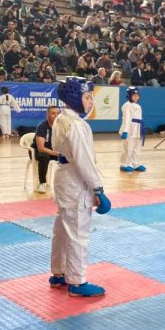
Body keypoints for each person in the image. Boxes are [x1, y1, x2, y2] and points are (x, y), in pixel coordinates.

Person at [49, 77, 111, 297]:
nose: (91, 101)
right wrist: (98, 189)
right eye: (87, 96)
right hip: (75, 181)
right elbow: (84, 161)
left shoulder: (60, 119)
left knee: (63, 229)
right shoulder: (77, 125)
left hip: (63, 177)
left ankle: (59, 273)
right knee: (77, 231)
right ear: (75, 97)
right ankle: (77, 281)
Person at [32, 106, 60, 193]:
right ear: (47, 115)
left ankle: (68, 183)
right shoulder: (42, 126)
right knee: (44, 157)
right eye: (53, 113)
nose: (56, 115)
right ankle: (42, 183)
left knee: (69, 158)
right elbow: (41, 148)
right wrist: (56, 154)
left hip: (53, 151)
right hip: (38, 151)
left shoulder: (60, 127)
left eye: (58, 113)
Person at [119, 86, 146, 173]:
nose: (136, 97)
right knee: (128, 148)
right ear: (129, 96)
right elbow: (127, 119)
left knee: (135, 148)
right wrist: (125, 131)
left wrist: (140, 129)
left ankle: (135, 163)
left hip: (136, 129)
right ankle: (124, 164)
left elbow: (139, 119)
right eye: (134, 95)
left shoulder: (138, 106)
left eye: (137, 95)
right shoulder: (127, 106)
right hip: (129, 130)